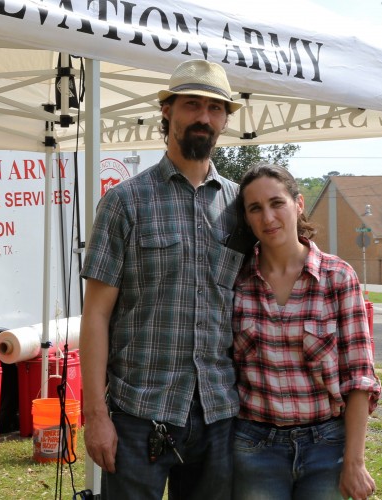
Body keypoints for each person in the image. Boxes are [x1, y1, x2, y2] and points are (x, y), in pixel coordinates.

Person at [80, 59, 246, 499]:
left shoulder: (240, 206)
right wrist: (95, 414)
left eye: (215, 108)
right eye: (192, 105)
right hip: (139, 414)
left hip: (219, 414)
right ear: (167, 112)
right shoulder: (124, 202)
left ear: (226, 120)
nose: (204, 117)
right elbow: (95, 315)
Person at [231, 162, 381, 500]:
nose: (268, 217)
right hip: (254, 446)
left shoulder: (338, 277)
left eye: (276, 203)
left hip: (326, 447)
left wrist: (355, 462)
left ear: (298, 204)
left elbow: (360, 379)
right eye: (255, 208)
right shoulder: (236, 281)